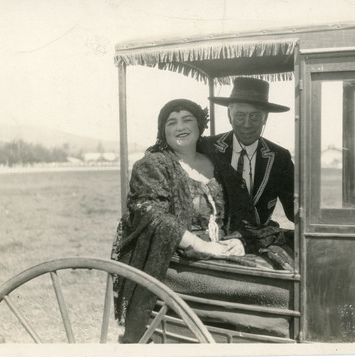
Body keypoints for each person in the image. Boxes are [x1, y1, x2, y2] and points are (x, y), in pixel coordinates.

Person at [110, 99, 246, 343]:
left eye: (187, 120)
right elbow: (152, 215)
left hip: (218, 253)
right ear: (163, 130)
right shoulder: (153, 165)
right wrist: (201, 245)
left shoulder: (218, 165)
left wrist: (236, 238)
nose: (179, 127)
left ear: (200, 125)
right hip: (173, 259)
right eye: (171, 122)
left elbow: (238, 210)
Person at [205, 77, 295, 256]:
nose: (247, 124)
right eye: (240, 115)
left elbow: (296, 209)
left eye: (255, 116)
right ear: (229, 115)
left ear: (265, 118)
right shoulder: (207, 147)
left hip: (258, 243)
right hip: (214, 242)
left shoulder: (280, 157)